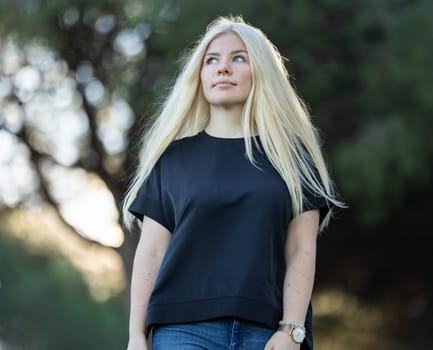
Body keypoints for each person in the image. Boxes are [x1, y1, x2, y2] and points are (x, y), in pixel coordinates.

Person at [122, 15, 344, 350]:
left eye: (238, 58)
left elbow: (301, 249)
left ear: (262, 73)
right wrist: (136, 337)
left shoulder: (292, 159)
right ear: (200, 76)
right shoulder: (172, 160)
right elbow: (151, 252)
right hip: (182, 332)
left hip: (267, 334)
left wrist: (291, 330)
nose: (222, 68)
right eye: (212, 60)